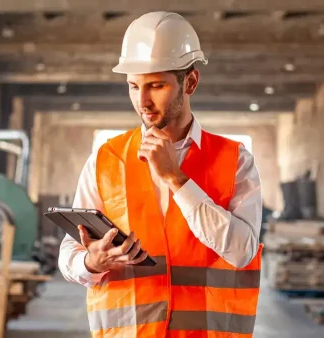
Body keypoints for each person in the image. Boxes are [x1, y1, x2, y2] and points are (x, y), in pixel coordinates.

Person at [57, 11, 264, 337]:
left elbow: (242, 251)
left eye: (156, 86)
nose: (143, 101)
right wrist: (90, 263)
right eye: (133, 86)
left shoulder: (234, 160)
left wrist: (176, 179)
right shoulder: (106, 158)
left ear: (190, 82)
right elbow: (70, 252)